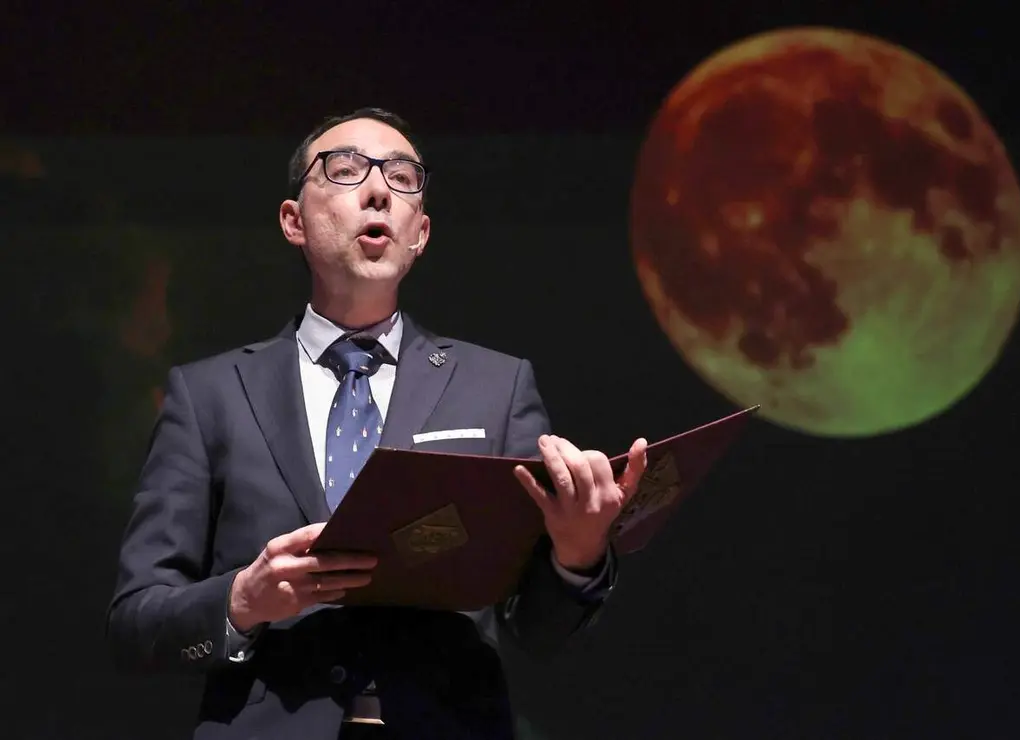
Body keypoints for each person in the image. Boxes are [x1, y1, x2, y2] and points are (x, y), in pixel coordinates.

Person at [106, 107, 649, 740]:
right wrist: (241, 602)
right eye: (345, 170)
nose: (378, 192)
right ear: (293, 221)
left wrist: (577, 553)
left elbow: (537, 630)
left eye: (402, 177)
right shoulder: (210, 395)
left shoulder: (496, 388)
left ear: (421, 233)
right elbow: (135, 626)